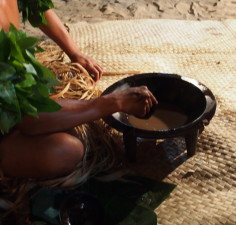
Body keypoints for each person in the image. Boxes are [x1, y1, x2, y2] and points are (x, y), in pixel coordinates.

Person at [0, 0, 158, 179]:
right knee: (65, 150)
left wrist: (74, 52)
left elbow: (36, 5)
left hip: (14, 101)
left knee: (71, 125)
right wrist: (113, 102)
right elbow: (27, 118)